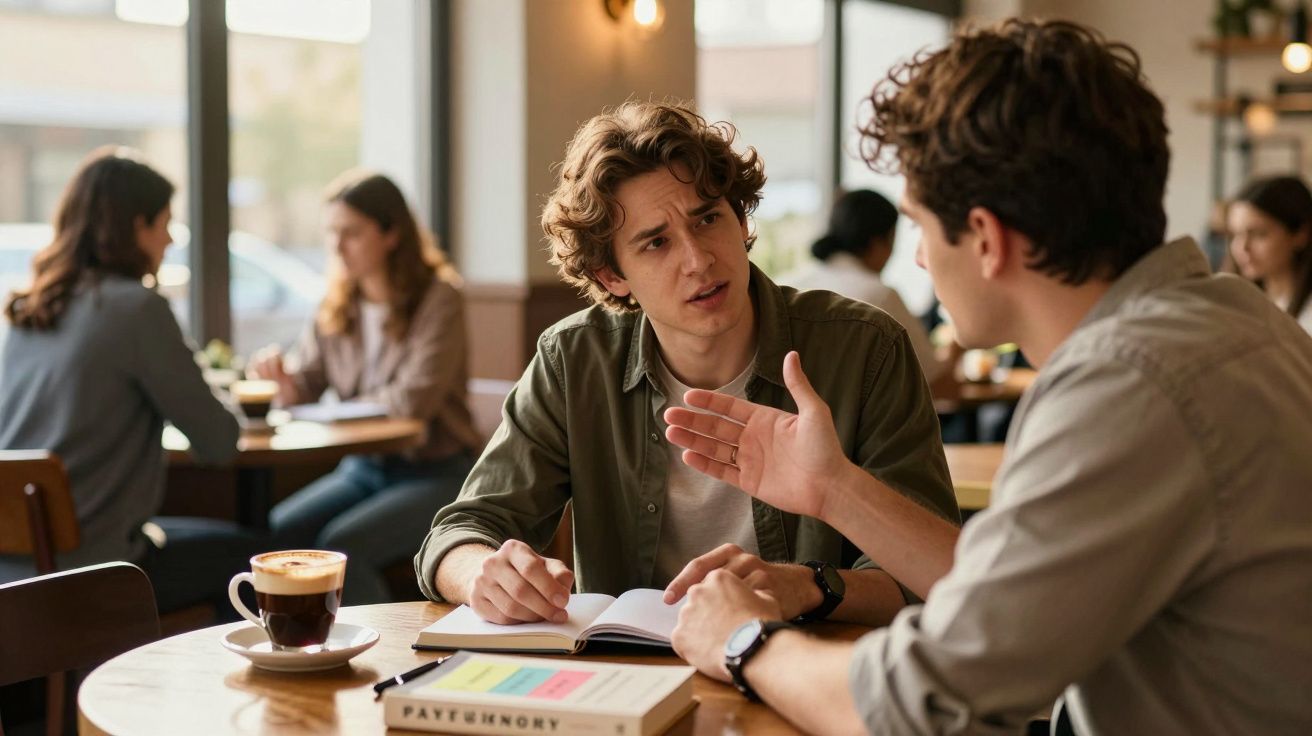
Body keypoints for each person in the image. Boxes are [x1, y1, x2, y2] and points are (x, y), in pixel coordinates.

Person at [663, 19, 1312, 735]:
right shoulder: (1226, 318)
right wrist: (833, 487)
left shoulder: (1131, 386)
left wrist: (742, 639)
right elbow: (1014, 594)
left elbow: (925, 708)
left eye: (919, 227)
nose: (917, 261)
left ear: (985, 239)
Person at [415, 101, 959, 628]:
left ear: (740, 220)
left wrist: (804, 586)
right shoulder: (574, 360)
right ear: (611, 277)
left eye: (707, 219)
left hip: (812, 669)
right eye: (655, 243)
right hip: (626, 678)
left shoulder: (865, 348)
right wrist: (481, 576)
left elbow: (932, 577)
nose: (698, 260)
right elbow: (463, 530)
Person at [0, 146, 253, 615]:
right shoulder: (137, 309)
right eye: (165, 224)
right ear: (138, 227)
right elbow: (219, 441)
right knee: (258, 559)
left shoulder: (29, 310)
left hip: (15, 569)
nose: (171, 240)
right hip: (94, 571)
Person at [249, 171, 480, 605]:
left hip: (434, 471)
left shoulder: (439, 298)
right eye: (331, 233)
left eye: (351, 233)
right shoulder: (338, 302)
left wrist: (343, 407)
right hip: (362, 469)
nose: (337, 247)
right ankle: (291, 648)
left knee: (344, 545)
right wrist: (283, 382)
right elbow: (308, 384)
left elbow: (414, 400)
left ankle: (380, 656)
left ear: (391, 233)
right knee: (280, 533)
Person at [778, 188, 952, 383]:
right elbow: (929, 377)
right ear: (877, 243)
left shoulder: (789, 285)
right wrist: (958, 344)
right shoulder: (880, 295)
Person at [1226, 175, 1312, 335]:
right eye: (1234, 235)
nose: (1242, 247)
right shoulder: (1230, 305)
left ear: (1301, 234)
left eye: (1259, 234)